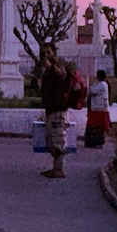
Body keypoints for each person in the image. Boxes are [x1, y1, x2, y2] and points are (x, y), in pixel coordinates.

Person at [39, 47, 71, 178]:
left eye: (48, 52)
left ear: (54, 53)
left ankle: (59, 169)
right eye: (44, 53)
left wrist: (51, 67)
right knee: (51, 139)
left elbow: (62, 75)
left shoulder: (58, 66)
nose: (46, 55)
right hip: (51, 109)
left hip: (58, 110)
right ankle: (55, 167)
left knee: (58, 140)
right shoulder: (47, 71)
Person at [84, 69, 111, 148]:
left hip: (100, 108)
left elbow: (92, 90)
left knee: (98, 127)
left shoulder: (103, 84)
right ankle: (91, 142)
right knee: (92, 126)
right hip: (95, 108)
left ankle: (98, 142)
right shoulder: (98, 83)